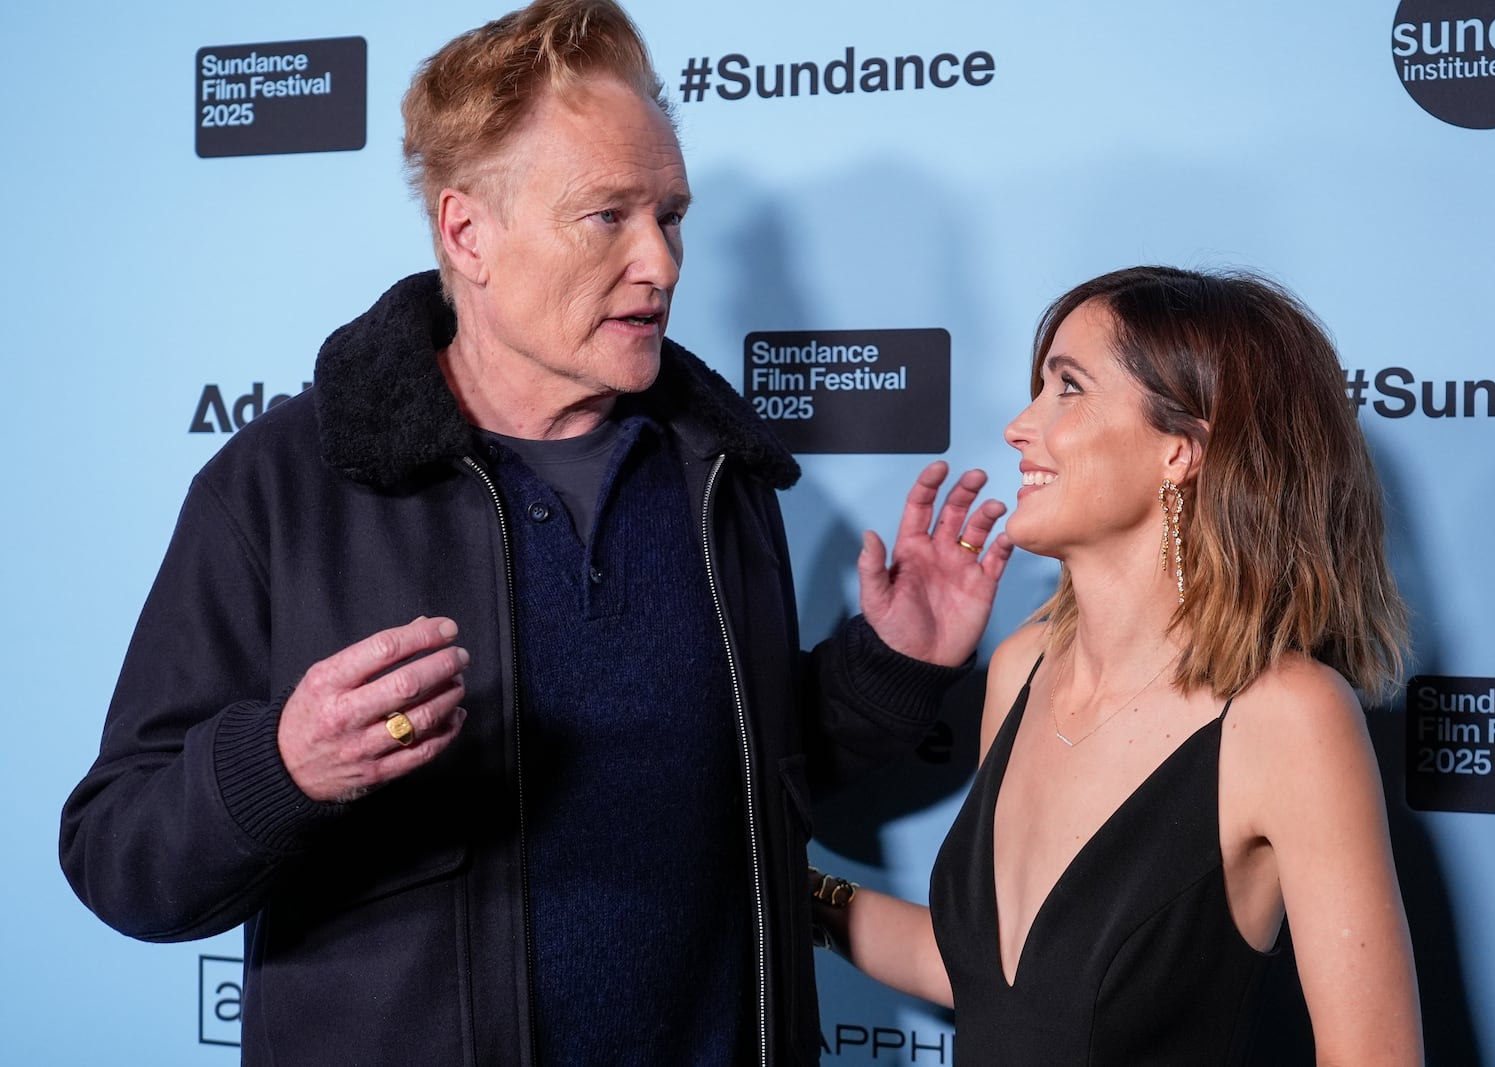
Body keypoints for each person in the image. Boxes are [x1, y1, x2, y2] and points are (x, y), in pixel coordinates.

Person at [57, 2, 1012, 1063]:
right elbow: (119, 854)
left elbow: (736, 782)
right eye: (608, 215)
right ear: (468, 232)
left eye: (671, 215)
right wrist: (283, 765)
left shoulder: (715, 471)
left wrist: (888, 667)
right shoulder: (279, 486)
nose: (660, 262)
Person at [809, 265, 1424, 1064]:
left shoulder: (1287, 715)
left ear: (1181, 449)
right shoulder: (1023, 667)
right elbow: (999, 986)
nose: (1020, 426)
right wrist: (790, 886)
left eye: (1068, 388)